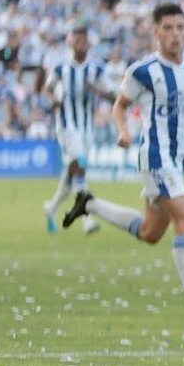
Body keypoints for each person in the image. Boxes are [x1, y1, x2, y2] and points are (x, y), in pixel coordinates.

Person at [61, 3, 184, 317]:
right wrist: (122, 130)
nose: (175, 34)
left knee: (150, 233)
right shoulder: (143, 71)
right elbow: (120, 105)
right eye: (168, 28)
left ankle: (89, 204)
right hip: (156, 158)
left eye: (180, 28)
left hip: (178, 159)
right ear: (156, 32)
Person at [41, 23, 112, 235]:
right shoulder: (61, 67)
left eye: (84, 40)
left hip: (86, 127)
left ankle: (52, 207)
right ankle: (87, 219)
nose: (81, 44)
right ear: (71, 42)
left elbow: (113, 95)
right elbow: (47, 90)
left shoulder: (96, 68)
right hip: (66, 125)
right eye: (77, 40)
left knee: (74, 171)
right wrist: (54, 100)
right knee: (80, 163)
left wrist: (96, 90)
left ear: (89, 43)